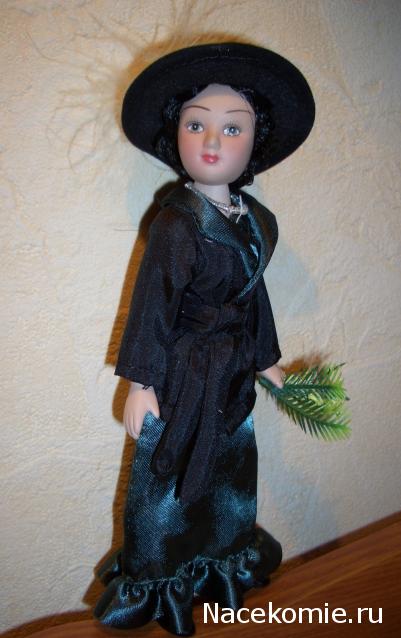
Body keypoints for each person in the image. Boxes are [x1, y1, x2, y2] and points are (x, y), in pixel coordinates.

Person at [94, 42, 315, 635]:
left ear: (253, 143)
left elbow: (254, 298)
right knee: (169, 483)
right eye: (197, 124)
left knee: (229, 473)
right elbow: (154, 303)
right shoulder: (177, 223)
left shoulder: (254, 222)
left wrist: (268, 363)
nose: (213, 141)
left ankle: (219, 566)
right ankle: (161, 579)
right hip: (183, 376)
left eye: (232, 128)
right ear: (177, 135)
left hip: (233, 375)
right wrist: (141, 382)